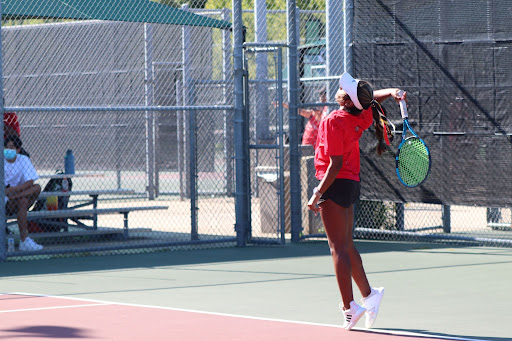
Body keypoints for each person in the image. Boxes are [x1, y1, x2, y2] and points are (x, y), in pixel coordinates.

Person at [307, 73, 405, 330]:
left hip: (334, 184)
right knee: (346, 245)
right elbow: (371, 99)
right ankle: (370, 295)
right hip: (351, 184)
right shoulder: (363, 114)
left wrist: (317, 193)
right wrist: (393, 90)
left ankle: (349, 307)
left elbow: (334, 164)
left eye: (346, 88)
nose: (341, 87)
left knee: (337, 248)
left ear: (348, 100)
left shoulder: (332, 121)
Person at [4, 135, 43, 251]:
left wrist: (12, 191)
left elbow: (30, 182)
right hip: (5, 201)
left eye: (11, 147)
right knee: (23, 201)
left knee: (37, 187)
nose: (8, 150)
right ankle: (24, 240)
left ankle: (24, 241)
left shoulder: (23, 159)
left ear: (18, 150)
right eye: (6, 147)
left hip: (15, 194)